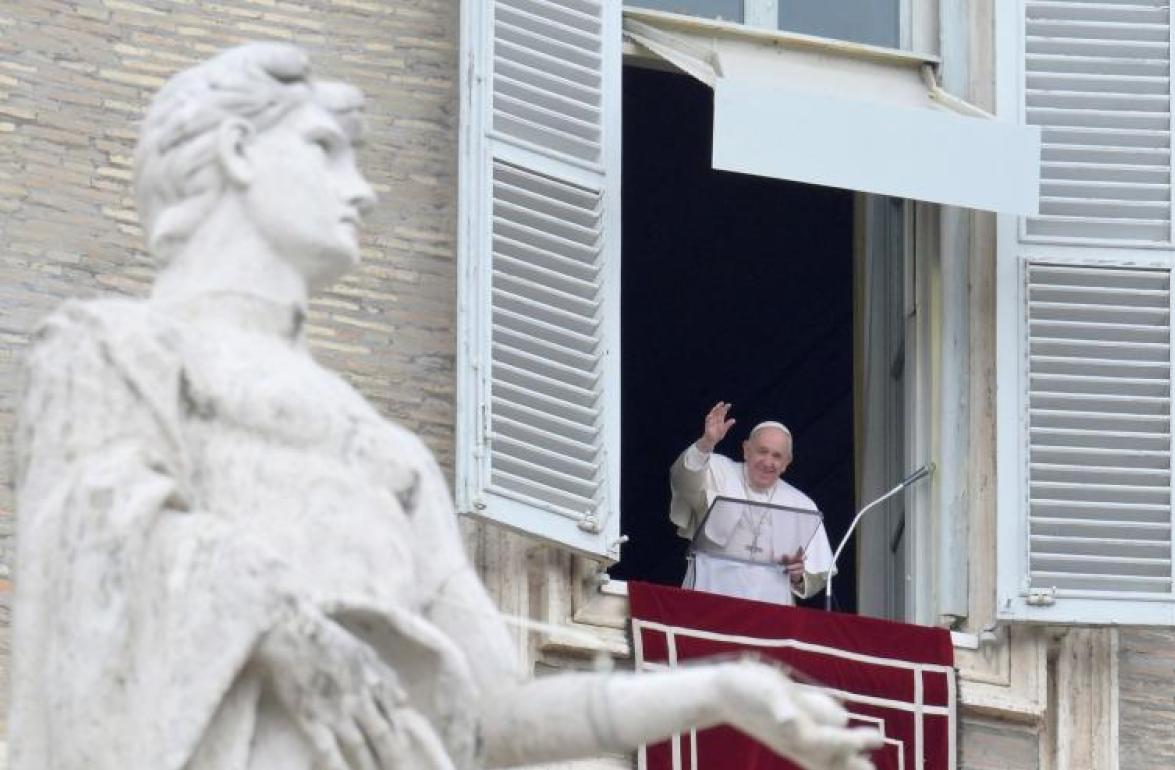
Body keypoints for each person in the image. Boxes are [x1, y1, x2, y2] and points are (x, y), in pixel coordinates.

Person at [10, 43, 880, 770]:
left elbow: (493, 719)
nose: (363, 190)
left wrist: (717, 689)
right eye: (324, 149)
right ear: (237, 152)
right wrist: (276, 626)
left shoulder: (386, 457)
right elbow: (87, 567)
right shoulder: (112, 353)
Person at [671, 401, 836, 605]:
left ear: (787, 463)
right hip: (711, 593)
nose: (768, 462)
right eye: (762, 451)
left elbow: (815, 574)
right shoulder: (718, 470)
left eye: (777, 456)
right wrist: (706, 443)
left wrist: (798, 575)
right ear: (746, 449)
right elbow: (683, 480)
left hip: (772, 609)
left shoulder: (802, 504)